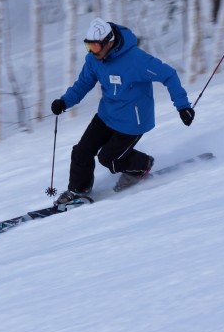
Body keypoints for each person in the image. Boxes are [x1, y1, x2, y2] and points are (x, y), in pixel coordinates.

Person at [50, 18, 195, 205]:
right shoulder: (94, 60)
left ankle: (142, 165)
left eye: (95, 47)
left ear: (109, 42)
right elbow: (84, 83)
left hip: (132, 121)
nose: (91, 52)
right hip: (107, 114)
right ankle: (78, 189)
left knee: (108, 159)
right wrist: (64, 101)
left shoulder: (137, 60)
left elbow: (169, 74)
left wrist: (182, 106)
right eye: (88, 47)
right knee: (81, 152)